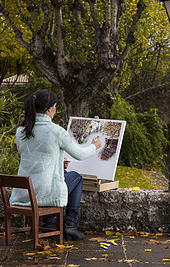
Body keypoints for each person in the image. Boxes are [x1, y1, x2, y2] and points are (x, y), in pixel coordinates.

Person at [10, 89, 102, 241]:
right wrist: (95, 146)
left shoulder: (21, 131)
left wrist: (58, 161)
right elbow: (79, 154)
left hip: (24, 191)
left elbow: (32, 158)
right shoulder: (56, 131)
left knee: (65, 175)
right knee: (76, 178)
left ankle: (50, 222)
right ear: (51, 108)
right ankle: (70, 224)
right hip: (44, 192)